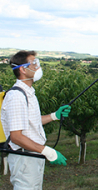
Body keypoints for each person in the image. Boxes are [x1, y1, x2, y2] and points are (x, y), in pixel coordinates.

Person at [1, 50, 71, 189]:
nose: (38, 67)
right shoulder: (16, 96)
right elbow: (16, 137)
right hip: (24, 158)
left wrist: (54, 116)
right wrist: (48, 151)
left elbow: (31, 121)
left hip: (32, 156)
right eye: (34, 63)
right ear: (23, 69)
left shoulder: (28, 93)